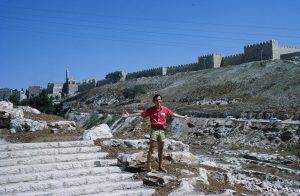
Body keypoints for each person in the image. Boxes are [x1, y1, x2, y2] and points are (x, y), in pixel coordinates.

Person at [122, 94, 191, 172]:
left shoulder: (165, 109)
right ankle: (148, 166)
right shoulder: (151, 110)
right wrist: (129, 115)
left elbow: (173, 114)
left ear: (161, 100)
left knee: (161, 149)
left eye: (159, 99)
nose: (158, 101)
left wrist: (183, 117)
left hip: (162, 131)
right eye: (156, 100)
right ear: (154, 101)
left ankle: (160, 167)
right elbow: (141, 114)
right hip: (154, 130)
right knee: (151, 148)